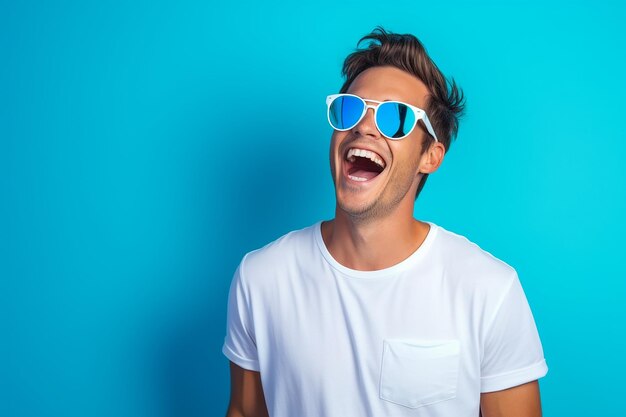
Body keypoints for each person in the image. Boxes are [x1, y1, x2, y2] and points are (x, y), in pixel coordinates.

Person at [223, 27, 548, 417]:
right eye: (350, 109)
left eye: (395, 118)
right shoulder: (261, 277)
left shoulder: (488, 291)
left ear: (431, 156)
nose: (363, 126)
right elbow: (244, 411)